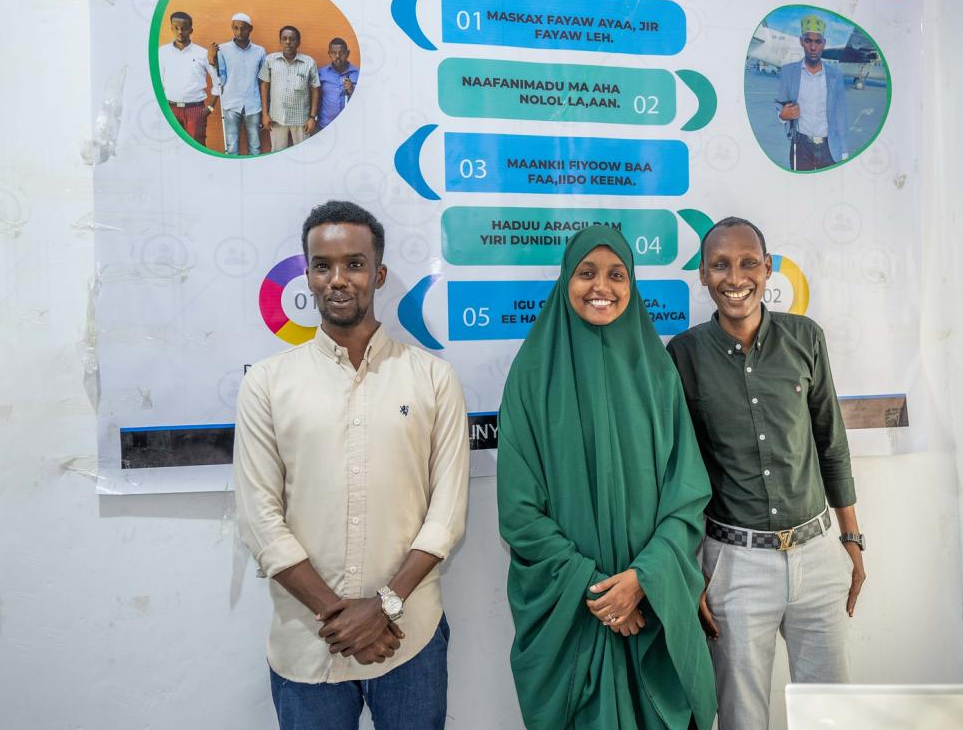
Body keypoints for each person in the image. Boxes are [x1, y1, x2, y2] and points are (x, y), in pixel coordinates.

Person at [234, 200, 469, 729]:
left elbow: (447, 514)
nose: (338, 280)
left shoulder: (432, 378)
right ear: (308, 274)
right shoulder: (268, 384)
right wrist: (342, 617)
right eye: (323, 266)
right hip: (308, 639)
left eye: (355, 264)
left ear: (378, 273)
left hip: (410, 637)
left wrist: (383, 605)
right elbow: (260, 519)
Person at [497, 226, 717, 729]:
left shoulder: (658, 374)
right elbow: (519, 511)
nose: (603, 286)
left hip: (652, 609)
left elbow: (686, 495)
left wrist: (644, 579)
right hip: (571, 615)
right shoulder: (532, 377)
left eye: (617, 274)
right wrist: (600, 593)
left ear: (632, 282)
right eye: (587, 273)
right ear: (565, 281)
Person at [666, 217, 867, 730]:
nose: (737, 277)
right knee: (741, 718)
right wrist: (692, 575)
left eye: (749, 262)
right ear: (704, 277)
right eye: (721, 265)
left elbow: (832, 444)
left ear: (768, 268)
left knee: (832, 716)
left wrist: (852, 538)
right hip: (735, 566)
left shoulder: (806, 338)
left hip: (818, 555)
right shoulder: (683, 355)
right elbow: (680, 477)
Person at [775, 14, 848, 171]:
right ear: (801, 41)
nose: (813, 47)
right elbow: (780, 106)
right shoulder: (788, 72)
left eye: (818, 41)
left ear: (824, 43)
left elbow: (841, 115)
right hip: (801, 147)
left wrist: (844, 151)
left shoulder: (835, 75)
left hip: (830, 147)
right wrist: (782, 116)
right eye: (808, 41)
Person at [156, 10, 219, 147]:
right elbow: (158, 82)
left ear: (191, 30)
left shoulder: (202, 54)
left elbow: (217, 82)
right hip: (170, 109)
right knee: (170, 148)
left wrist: (210, 108)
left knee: (196, 148)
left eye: (184, 28)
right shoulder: (162, 52)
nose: (180, 32)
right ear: (171, 28)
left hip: (195, 111)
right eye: (176, 28)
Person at [209, 12, 265, 155]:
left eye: (243, 28)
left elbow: (262, 79)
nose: (239, 32)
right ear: (232, 28)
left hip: (253, 104)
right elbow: (220, 79)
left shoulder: (260, 51)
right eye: (236, 28)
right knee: (232, 147)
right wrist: (212, 61)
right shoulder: (223, 50)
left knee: (255, 147)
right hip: (230, 105)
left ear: (250, 29)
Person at [258, 25, 320, 151]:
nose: (288, 42)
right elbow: (264, 86)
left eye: (292, 39)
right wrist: (265, 114)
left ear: (298, 42)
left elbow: (315, 89)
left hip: (301, 119)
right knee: (277, 153)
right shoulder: (270, 60)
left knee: (304, 154)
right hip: (277, 118)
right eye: (284, 38)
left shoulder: (309, 62)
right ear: (280, 41)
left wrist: (312, 118)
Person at [316, 37, 359, 131]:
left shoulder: (358, 73)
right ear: (329, 54)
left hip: (349, 126)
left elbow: (366, 100)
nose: (337, 56)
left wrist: (352, 90)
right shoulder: (321, 73)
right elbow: (315, 97)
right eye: (333, 53)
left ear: (347, 53)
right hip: (325, 126)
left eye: (341, 52)